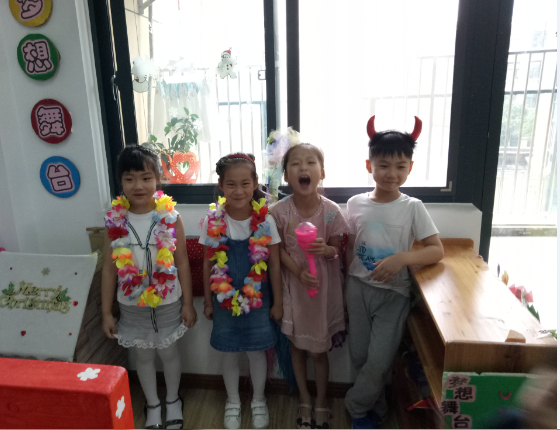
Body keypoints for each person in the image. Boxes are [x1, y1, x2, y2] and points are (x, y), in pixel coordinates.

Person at [345, 116, 444, 429]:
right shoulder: (354, 203)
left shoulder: (413, 206)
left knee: (378, 361)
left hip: (394, 294)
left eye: (400, 166)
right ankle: (378, 410)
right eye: (384, 165)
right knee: (359, 356)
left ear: (410, 168)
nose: (392, 173)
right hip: (357, 289)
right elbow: (349, 246)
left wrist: (401, 258)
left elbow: (436, 250)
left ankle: (355, 407)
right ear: (369, 165)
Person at [101, 145, 197, 429]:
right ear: (120, 182)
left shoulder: (171, 217)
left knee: (169, 353)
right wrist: (106, 312)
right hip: (131, 303)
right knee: (142, 355)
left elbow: (182, 262)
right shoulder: (114, 220)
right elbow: (109, 269)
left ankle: (173, 400)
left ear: (157, 179)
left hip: (168, 301)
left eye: (145, 178)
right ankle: (152, 404)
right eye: (129, 179)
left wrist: (188, 303)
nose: (138, 186)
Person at [200, 152, 283, 429]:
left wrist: (278, 303)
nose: (238, 190)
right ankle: (233, 401)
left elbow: (274, 265)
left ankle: (258, 399)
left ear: (255, 183)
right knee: (230, 352)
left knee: (257, 352)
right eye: (231, 184)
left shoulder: (266, 220)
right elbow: (207, 263)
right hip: (223, 300)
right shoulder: (213, 220)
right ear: (221, 185)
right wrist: (208, 302)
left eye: (245, 183)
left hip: (258, 300)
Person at [270, 143, 349, 429]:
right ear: (286, 176)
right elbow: (277, 251)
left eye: (311, 162)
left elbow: (337, 249)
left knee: (318, 351)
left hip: (323, 292)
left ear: (322, 172)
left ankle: (322, 400)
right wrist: (298, 272)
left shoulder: (330, 212)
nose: (303, 167)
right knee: (296, 347)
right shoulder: (278, 212)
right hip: (294, 289)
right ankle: (304, 397)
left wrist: (326, 250)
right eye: (296, 163)